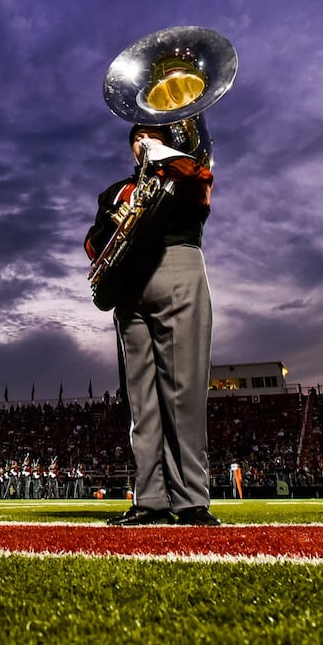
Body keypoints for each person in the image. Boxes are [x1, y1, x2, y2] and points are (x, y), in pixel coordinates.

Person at [85, 124, 219, 526]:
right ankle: (151, 500)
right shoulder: (114, 193)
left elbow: (201, 188)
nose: (142, 141)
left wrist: (162, 156)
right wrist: (117, 222)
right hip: (129, 281)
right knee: (141, 401)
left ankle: (192, 500)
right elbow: (93, 243)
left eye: (152, 135)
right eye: (137, 138)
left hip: (177, 262)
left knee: (183, 392)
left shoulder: (185, 169)